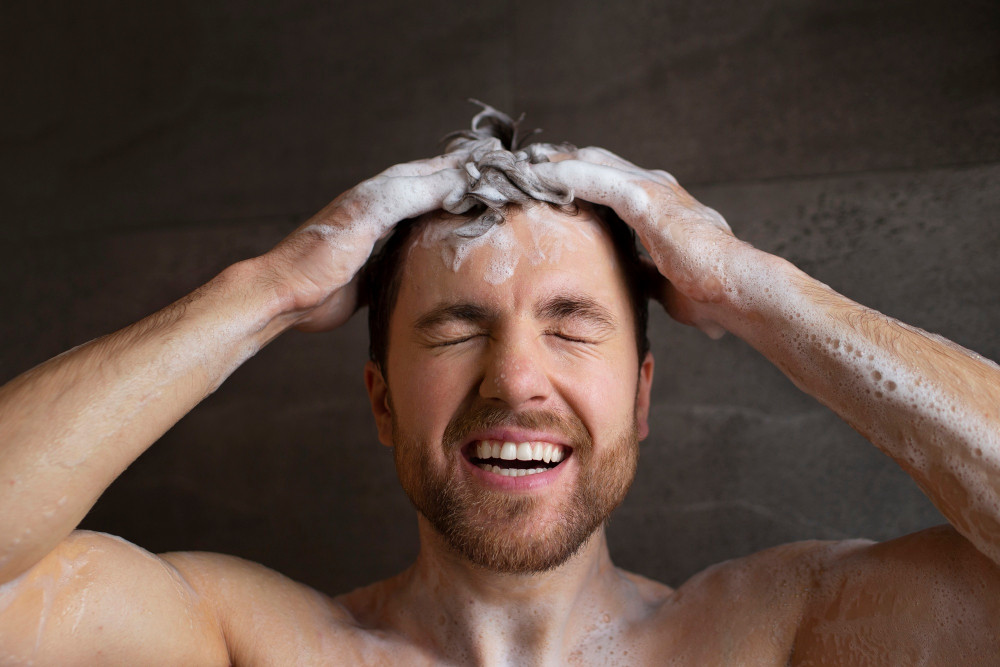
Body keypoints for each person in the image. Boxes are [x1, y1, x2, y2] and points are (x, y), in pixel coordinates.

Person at [1, 102, 998, 665]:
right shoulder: (239, 644)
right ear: (382, 401)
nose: (517, 376)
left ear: (642, 397)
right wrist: (264, 291)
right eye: (455, 328)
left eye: (569, 326)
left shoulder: (785, 638)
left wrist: (759, 290)